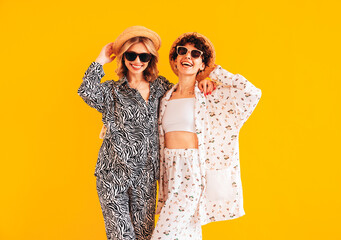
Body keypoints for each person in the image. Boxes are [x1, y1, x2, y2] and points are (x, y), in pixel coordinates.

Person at [78, 26, 213, 240]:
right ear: (123, 58)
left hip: (146, 179)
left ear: (151, 58)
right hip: (113, 175)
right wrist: (100, 60)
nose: (137, 61)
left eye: (144, 56)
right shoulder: (111, 91)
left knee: (144, 237)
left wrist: (202, 79)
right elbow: (86, 91)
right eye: (131, 55)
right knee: (121, 236)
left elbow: (185, 88)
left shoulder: (162, 88)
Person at [152, 32, 262, 240]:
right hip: (169, 171)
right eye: (182, 51)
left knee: (163, 235)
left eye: (196, 54)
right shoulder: (165, 95)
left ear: (202, 63)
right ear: (175, 59)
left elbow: (252, 93)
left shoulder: (210, 95)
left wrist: (213, 72)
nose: (188, 57)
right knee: (187, 235)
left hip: (193, 171)